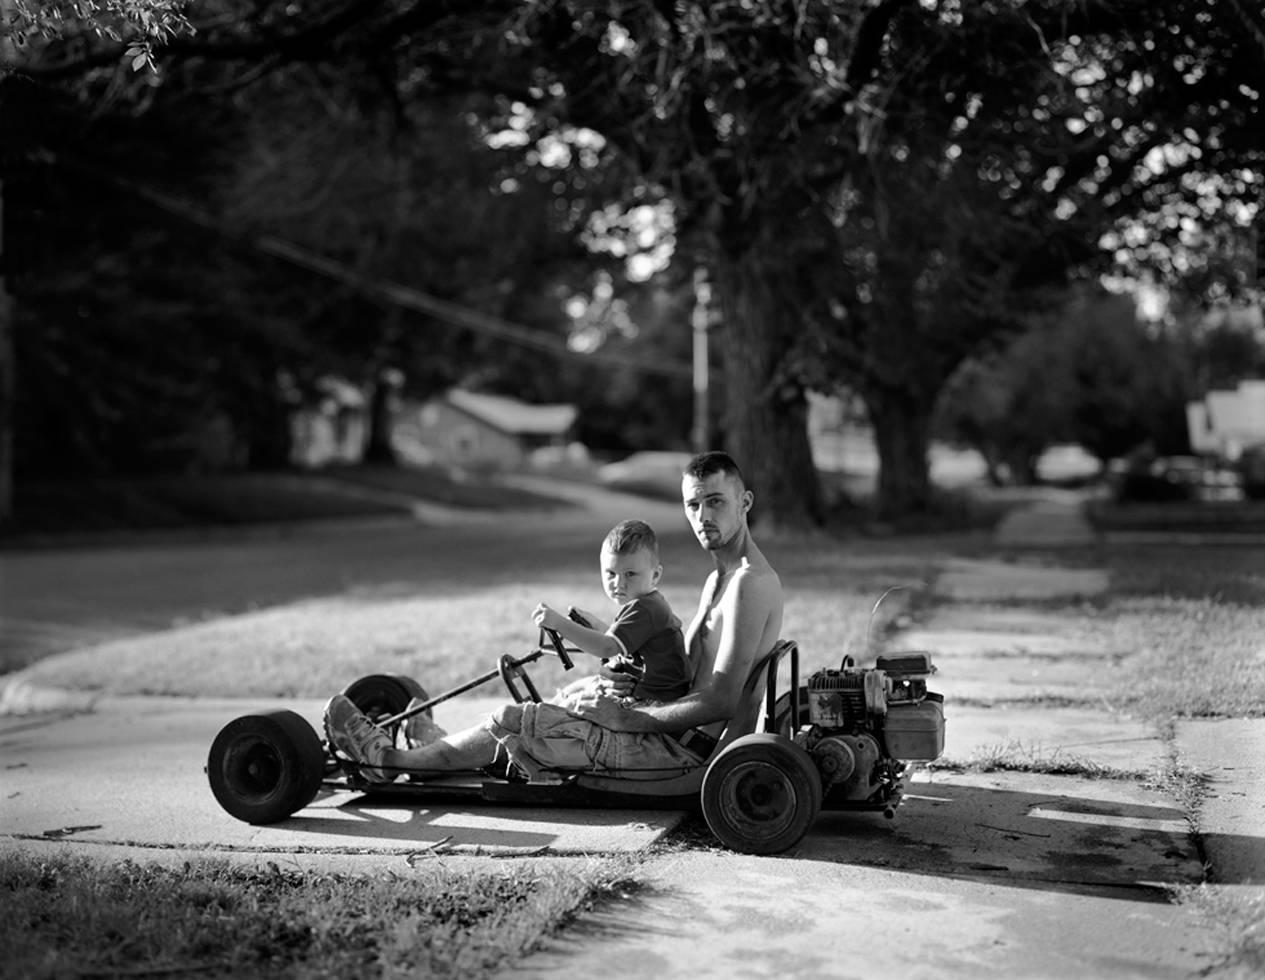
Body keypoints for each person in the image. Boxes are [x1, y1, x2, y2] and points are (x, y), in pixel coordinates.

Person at [323, 450, 784, 783]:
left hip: (682, 755)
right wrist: (627, 681)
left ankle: (389, 762)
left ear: (745, 502)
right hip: (674, 735)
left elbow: (721, 701)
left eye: (716, 501)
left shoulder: (749, 584)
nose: (702, 515)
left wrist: (627, 720)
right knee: (576, 692)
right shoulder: (720, 579)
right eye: (692, 504)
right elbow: (687, 673)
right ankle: (435, 750)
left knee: (513, 719)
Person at [533, 517, 691, 705]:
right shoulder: (645, 604)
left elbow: (606, 647)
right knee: (574, 690)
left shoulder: (647, 608)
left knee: (567, 704)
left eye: (630, 574)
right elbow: (625, 644)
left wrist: (559, 623)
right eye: (611, 573)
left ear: (655, 575)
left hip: (654, 703)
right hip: (646, 695)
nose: (618, 583)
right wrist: (596, 626)